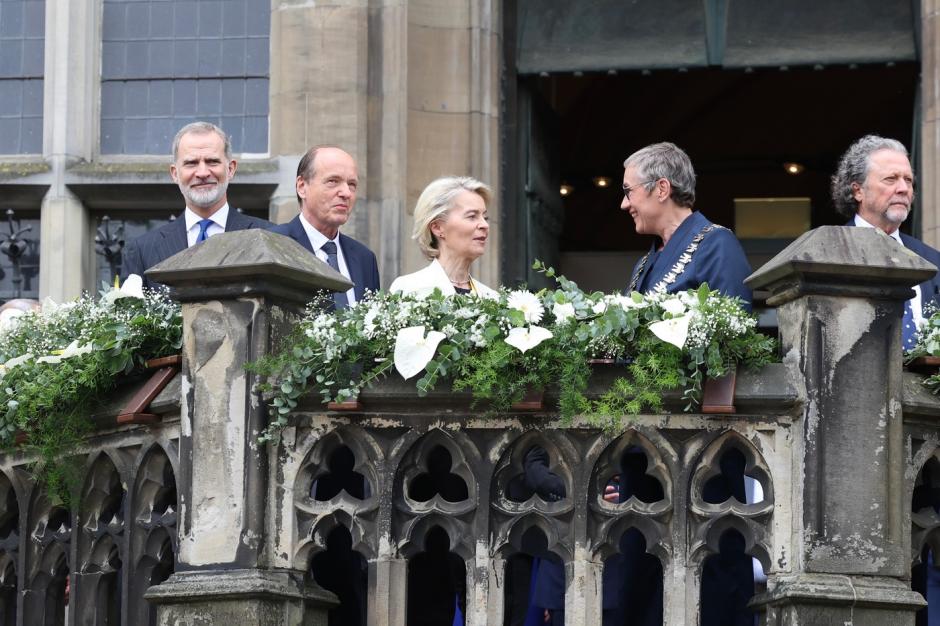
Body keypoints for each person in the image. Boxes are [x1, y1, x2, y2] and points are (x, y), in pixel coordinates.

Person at [121, 122, 271, 289]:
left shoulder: (270, 236)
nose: (202, 173)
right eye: (191, 163)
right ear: (175, 173)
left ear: (230, 169)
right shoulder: (142, 251)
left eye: (212, 161)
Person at [832, 134, 940, 351]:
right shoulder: (829, 250)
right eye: (891, 179)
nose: (903, 188)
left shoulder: (932, 259)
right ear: (858, 190)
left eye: (908, 180)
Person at [622, 142, 752, 310]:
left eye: (628, 191)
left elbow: (737, 324)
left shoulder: (717, 244)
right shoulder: (643, 264)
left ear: (662, 189)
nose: (624, 204)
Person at [269, 146, 379, 308]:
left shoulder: (364, 258)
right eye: (333, 181)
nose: (346, 193)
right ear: (302, 187)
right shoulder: (274, 245)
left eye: (352, 184)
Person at [389, 176, 497, 298]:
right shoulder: (408, 290)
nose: (485, 225)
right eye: (472, 216)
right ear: (437, 227)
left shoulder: (493, 298)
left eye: (485, 217)